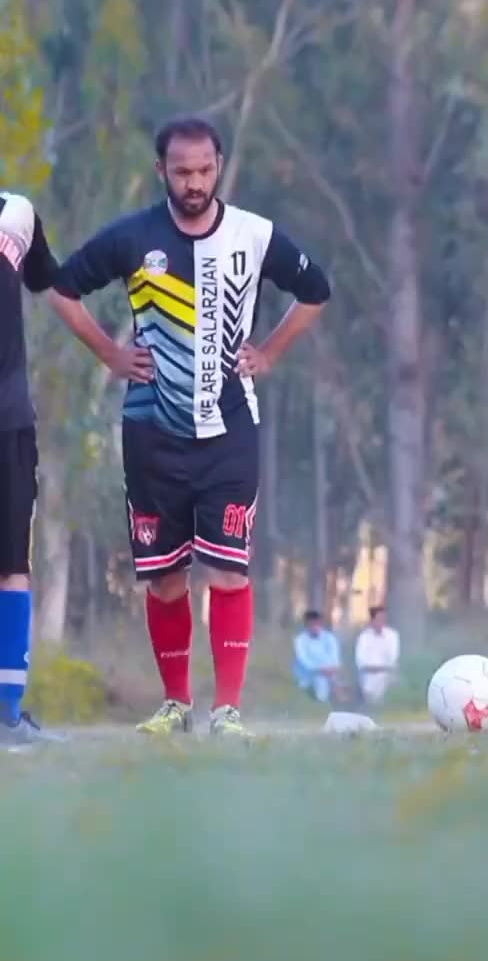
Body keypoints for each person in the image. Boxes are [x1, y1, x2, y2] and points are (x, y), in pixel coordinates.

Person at [49, 117, 331, 737]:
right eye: (182, 172)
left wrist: (271, 352)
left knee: (229, 570)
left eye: (204, 170)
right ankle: (176, 704)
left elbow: (316, 289)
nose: (194, 182)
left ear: (219, 166)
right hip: (151, 433)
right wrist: (110, 354)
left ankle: (227, 710)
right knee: (164, 578)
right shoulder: (133, 236)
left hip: (230, 430)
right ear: (162, 171)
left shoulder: (254, 234)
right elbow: (61, 287)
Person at [0, 192, 148, 746]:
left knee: (11, 565)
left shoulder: (16, 214)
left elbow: (56, 286)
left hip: (7, 423)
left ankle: (6, 715)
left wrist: (111, 351)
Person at [292, 610, 342, 704]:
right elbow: (303, 660)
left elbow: (335, 658)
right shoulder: (300, 640)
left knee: (337, 684)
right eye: (312, 624)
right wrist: (320, 670)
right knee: (320, 682)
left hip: (329, 672)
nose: (315, 627)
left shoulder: (329, 638)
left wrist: (331, 669)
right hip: (308, 674)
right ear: (307, 625)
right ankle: (321, 703)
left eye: (317, 624)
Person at [354, 606, 400, 705]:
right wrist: (375, 668)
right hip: (368, 674)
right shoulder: (364, 637)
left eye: (383, 619)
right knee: (369, 683)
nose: (381, 622)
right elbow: (360, 661)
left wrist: (384, 669)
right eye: (378, 619)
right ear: (372, 621)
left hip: (386, 673)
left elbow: (393, 658)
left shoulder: (392, 635)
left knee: (389, 679)